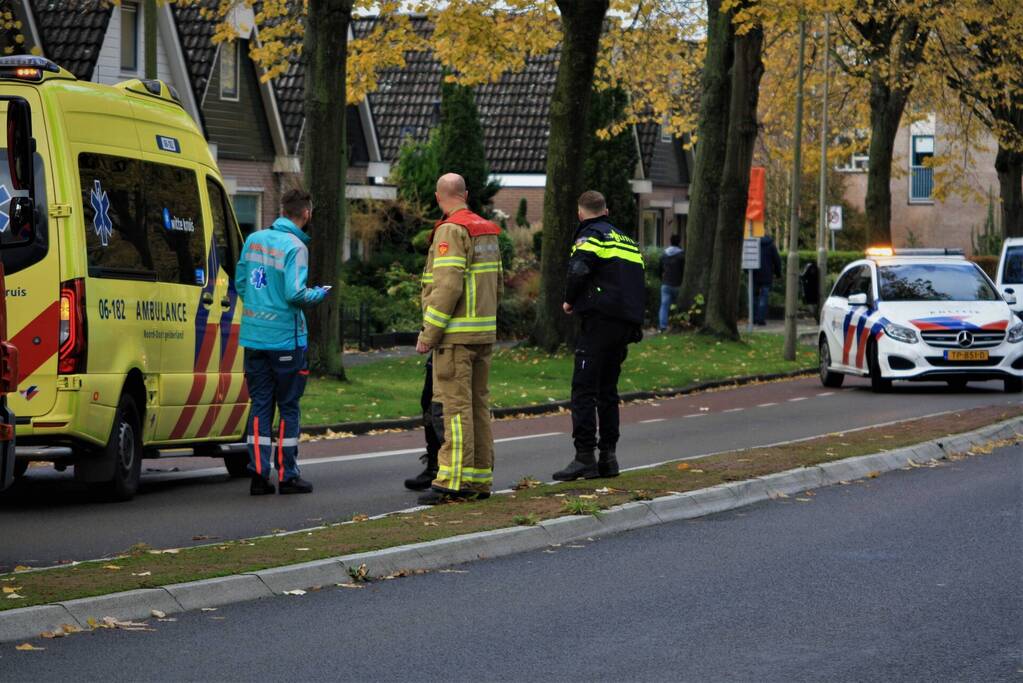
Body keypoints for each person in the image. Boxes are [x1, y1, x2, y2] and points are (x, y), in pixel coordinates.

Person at [415, 173, 503, 505]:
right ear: (465, 194)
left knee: (453, 408)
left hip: (455, 337)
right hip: (482, 332)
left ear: (439, 197)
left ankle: (453, 481)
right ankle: (479, 478)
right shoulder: (486, 229)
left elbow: (447, 287)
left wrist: (429, 333)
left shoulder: (450, 230)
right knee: (478, 406)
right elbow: (497, 283)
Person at [235, 189, 328, 495]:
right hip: (286, 341)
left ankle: (259, 475)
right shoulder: (296, 247)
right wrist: (319, 294)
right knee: (288, 406)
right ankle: (288, 475)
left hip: (254, 338)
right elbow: (295, 294)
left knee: (260, 405)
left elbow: (241, 283)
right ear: (306, 214)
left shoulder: (253, 240)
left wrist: (260, 305)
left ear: (282, 210)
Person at [554, 191, 645, 482]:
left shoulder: (590, 235)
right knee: (608, 391)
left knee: (583, 390)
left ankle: (584, 457)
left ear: (580, 214)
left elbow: (579, 268)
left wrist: (569, 300)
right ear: (606, 211)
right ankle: (609, 457)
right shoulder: (627, 240)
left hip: (599, 322)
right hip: (624, 325)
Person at [403, 357, 443, 490]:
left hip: (449, 353)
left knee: (437, 406)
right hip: (444, 354)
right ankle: (436, 466)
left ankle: (437, 468)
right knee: (431, 403)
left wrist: (427, 342)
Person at [753, 233, 782, 326]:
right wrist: (778, 274)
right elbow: (777, 261)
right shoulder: (771, 245)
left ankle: (754, 318)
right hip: (767, 275)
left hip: (754, 274)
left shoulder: (754, 243)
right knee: (764, 297)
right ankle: (761, 319)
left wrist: (747, 271)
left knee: (754, 296)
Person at [658, 233, 684, 331]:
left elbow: (659, 269)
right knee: (678, 306)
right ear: (679, 242)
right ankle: (677, 324)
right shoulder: (682, 255)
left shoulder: (664, 254)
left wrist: (661, 279)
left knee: (664, 306)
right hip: (678, 285)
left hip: (666, 284)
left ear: (670, 241)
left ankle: (662, 326)